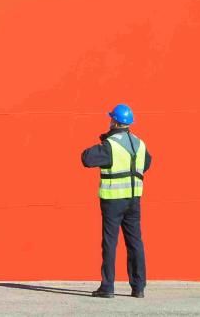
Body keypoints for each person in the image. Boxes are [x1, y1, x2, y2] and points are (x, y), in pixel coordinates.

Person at [80, 103, 152, 299]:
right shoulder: (140, 143)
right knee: (135, 242)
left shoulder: (111, 145)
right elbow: (146, 163)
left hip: (113, 200)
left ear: (114, 121)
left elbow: (86, 158)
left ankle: (107, 286)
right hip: (134, 199)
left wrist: (105, 140)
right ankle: (138, 287)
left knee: (110, 242)